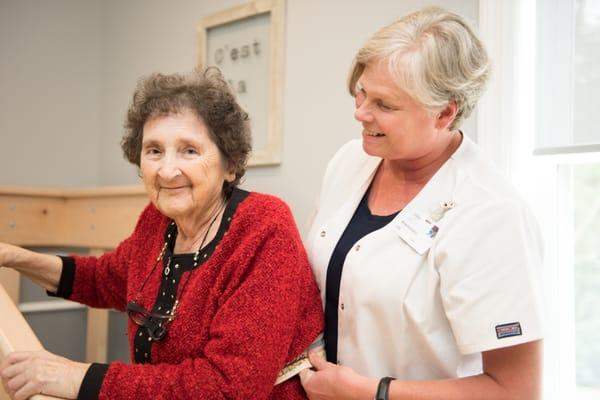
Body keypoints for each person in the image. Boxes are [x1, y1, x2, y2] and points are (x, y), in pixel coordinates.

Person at [0, 68, 323, 400]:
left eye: (189, 151)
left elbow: (228, 388)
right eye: (154, 150)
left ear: (230, 166)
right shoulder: (157, 221)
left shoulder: (265, 228)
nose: (167, 171)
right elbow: (105, 277)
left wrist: (76, 377)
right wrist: (15, 257)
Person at [300, 6, 543, 400]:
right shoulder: (349, 161)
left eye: (385, 104)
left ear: (445, 113)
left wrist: (372, 393)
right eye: (362, 91)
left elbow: (515, 392)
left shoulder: (490, 213)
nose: (360, 112)